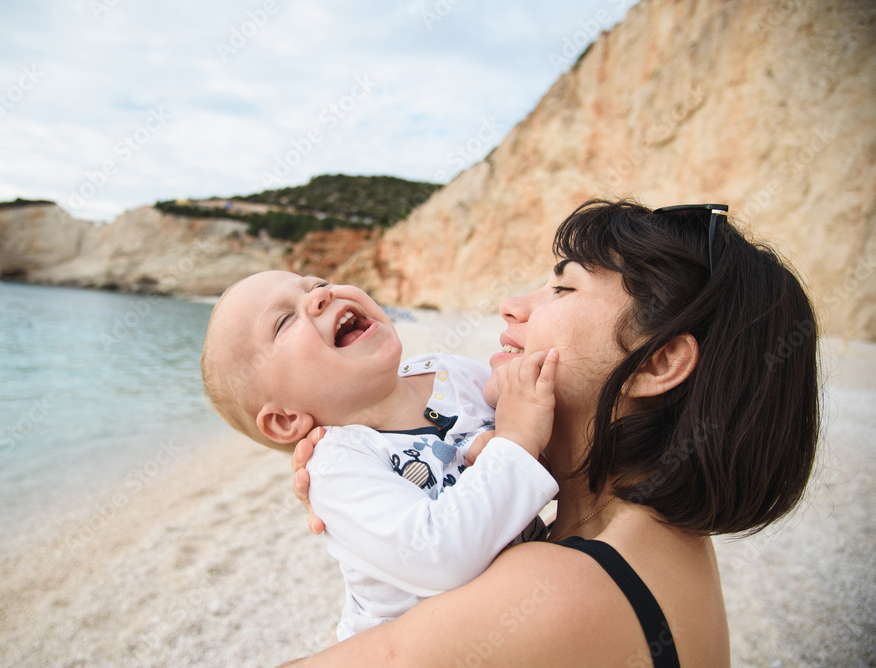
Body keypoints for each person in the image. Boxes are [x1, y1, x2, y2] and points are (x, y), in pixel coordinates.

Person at [285, 199, 820, 666]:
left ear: (656, 364)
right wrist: (366, 483)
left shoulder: (561, 587)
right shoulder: (650, 541)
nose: (511, 305)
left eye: (563, 287)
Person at [200, 270, 561, 641]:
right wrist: (514, 441)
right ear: (286, 419)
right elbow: (440, 556)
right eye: (284, 320)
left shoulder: (451, 372)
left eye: (318, 284)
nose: (320, 297)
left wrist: (516, 435)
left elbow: (542, 438)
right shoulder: (337, 466)